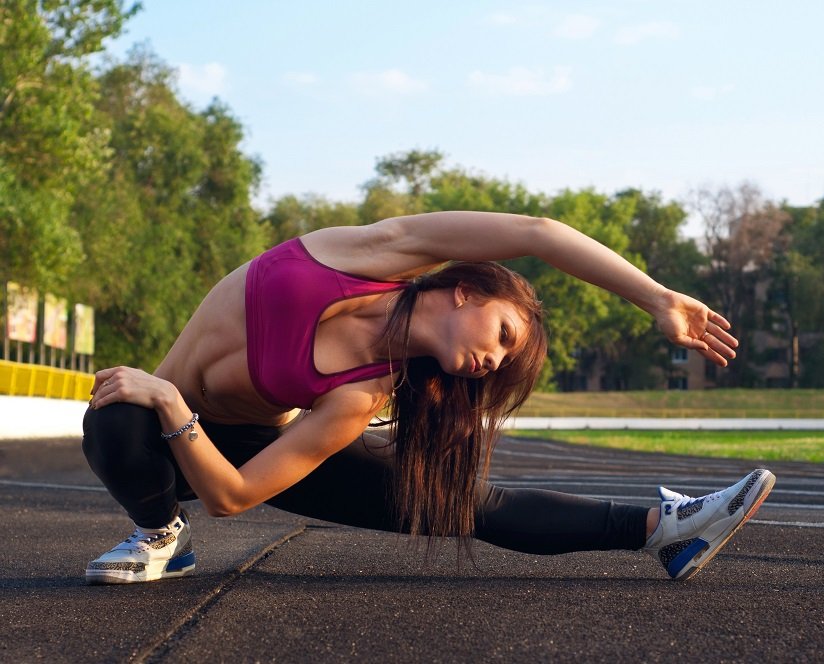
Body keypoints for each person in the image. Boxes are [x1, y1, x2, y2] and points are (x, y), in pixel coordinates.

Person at [82, 211, 774, 585]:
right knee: (114, 420)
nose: (493, 359)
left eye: (502, 362)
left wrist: (174, 405)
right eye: (503, 334)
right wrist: (653, 297)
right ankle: (161, 534)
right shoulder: (368, 255)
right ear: (465, 291)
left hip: (228, 446)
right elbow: (535, 235)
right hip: (156, 441)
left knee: (463, 503)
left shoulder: (362, 393)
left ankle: (664, 529)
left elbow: (234, 495)